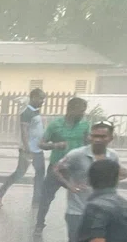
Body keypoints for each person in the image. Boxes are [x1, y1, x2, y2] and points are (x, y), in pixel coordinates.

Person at [53, 121, 126, 242]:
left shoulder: (112, 156)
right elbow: (57, 169)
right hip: (77, 210)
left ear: (111, 138)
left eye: (102, 136)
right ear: (89, 137)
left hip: (102, 210)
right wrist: (70, 186)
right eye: (94, 136)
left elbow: (119, 173)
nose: (97, 139)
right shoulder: (77, 154)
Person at [35, 97, 89, 234]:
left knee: (82, 198)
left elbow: (89, 143)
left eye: (84, 111)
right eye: (80, 111)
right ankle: (39, 224)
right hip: (57, 168)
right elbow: (41, 144)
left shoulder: (85, 125)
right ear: (71, 109)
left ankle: (83, 228)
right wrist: (55, 145)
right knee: (46, 198)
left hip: (76, 170)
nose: (83, 114)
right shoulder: (56, 125)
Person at [0, 88, 46, 208]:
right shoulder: (27, 112)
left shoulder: (36, 111)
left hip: (38, 149)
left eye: (43, 99)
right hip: (28, 150)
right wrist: (27, 149)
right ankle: (0, 194)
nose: (42, 101)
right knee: (19, 174)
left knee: (40, 174)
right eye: (40, 98)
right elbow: (24, 131)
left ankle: (36, 201)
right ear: (33, 98)